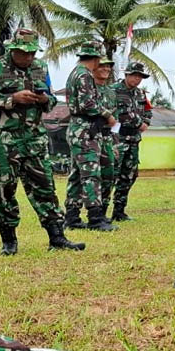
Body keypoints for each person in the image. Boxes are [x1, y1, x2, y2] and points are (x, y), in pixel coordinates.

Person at [0, 29, 84, 255]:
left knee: (46, 189)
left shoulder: (40, 68)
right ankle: (9, 242)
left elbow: (52, 100)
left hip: (34, 139)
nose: (29, 57)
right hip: (4, 143)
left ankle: (57, 237)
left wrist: (45, 99)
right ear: (12, 49)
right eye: (24, 53)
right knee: (3, 191)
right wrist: (11, 99)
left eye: (32, 53)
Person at [65, 43, 118, 232]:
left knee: (77, 175)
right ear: (95, 58)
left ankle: (71, 217)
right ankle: (95, 218)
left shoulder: (75, 72)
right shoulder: (84, 75)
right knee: (91, 174)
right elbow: (89, 105)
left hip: (79, 129)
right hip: (85, 130)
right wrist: (107, 115)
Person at [111, 61, 152, 221]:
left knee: (129, 175)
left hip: (134, 140)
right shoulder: (113, 91)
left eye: (140, 77)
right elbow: (115, 112)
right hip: (117, 138)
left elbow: (148, 110)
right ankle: (99, 213)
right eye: (134, 75)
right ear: (126, 75)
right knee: (112, 174)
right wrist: (137, 123)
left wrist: (146, 123)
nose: (137, 79)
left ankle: (119, 211)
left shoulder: (140, 94)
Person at [93, 57, 119, 224]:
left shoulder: (111, 92)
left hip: (107, 138)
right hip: (89, 136)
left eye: (108, 67)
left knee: (109, 175)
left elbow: (115, 119)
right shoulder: (88, 88)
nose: (106, 69)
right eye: (102, 66)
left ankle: (103, 212)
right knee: (86, 176)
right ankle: (73, 214)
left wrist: (115, 141)